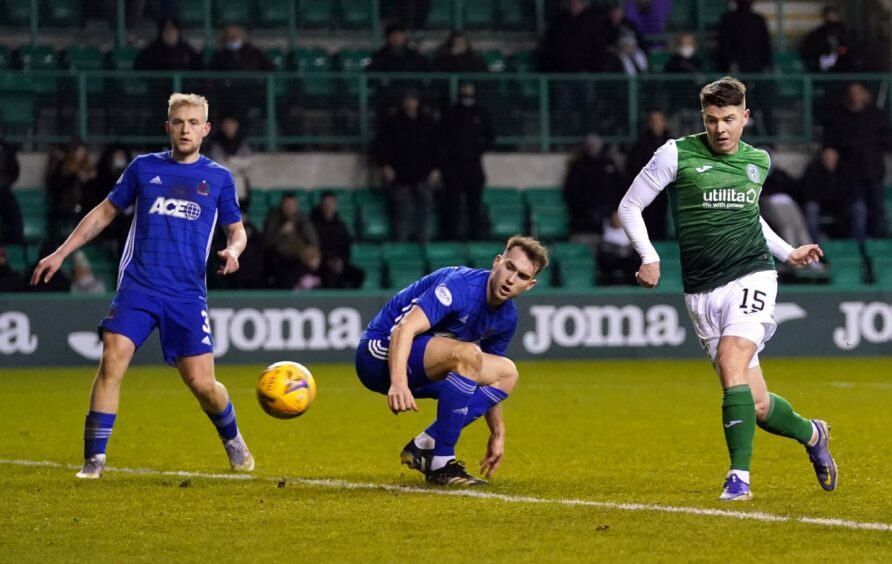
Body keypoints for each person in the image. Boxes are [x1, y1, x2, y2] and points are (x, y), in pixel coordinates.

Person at [617, 77, 837, 501]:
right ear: (703, 117)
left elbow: (749, 217)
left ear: (745, 118)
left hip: (752, 273)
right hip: (702, 291)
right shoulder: (675, 154)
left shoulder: (758, 161)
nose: (721, 128)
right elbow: (630, 206)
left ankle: (739, 479)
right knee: (754, 404)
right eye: (713, 119)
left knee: (731, 355)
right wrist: (648, 256)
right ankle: (813, 434)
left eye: (730, 119)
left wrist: (787, 254)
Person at [30, 93, 253, 479]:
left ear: (206, 129)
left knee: (202, 384)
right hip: (139, 286)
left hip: (186, 294)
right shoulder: (143, 168)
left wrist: (233, 250)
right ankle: (94, 461)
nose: (186, 129)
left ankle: (234, 441)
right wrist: (61, 253)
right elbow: (103, 212)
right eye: (179, 122)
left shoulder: (218, 178)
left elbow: (236, 229)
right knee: (112, 360)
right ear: (168, 127)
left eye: (193, 123)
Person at [355, 235, 548, 486]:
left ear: (530, 285)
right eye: (509, 267)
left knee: (506, 373)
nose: (511, 279)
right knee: (467, 353)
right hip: (379, 354)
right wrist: (398, 382)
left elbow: (482, 377)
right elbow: (404, 329)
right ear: (497, 262)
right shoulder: (461, 286)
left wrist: (497, 432)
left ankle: (425, 445)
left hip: (419, 365)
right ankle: (442, 463)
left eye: (521, 276)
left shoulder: (506, 318)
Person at [821, 82, 892, 240]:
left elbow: (887, 139)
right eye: (852, 93)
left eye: (858, 92)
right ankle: (856, 243)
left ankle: (879, 242)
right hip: (851, 175)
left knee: (877, 209)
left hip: (874, 171)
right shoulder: (839, 118)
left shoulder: (876, 115)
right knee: (856, 210)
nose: (855, 96)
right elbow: (830, 143)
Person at [375, 89, 441, 243]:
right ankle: (402, 246)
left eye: (413, 100)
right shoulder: (392, 122)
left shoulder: (427, 122)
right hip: (401, 176)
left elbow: (436, 147)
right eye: (407, 100)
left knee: (424, 212)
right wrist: (386, 165)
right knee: (403, 212)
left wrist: (436, 169)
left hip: (423, 175)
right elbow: (383, 146)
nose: (410, 103)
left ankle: (424, 245)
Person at [439, 83, 494, 241]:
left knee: (474, 204)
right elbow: (442, 138)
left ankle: (476, 236)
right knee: (452, 205)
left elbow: (490, 135)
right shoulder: (451, 113)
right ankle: (451, 236)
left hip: (473, 165)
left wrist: (478, 148)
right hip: (453, 165)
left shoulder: (480, 112)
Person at [262, 192, 320, 289]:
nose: (289, 207)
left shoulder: (303, 219)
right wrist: (281, 232)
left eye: (292, 205)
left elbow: (313, 240)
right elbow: (267, 241)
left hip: (300, 255)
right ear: (282, 205)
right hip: (279, 255)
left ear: (296, 206)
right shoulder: (273, 219)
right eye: (287, 204)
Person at [310, 191, 365, 289]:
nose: (328, 206)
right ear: (321, 205)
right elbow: (314, 246)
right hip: (322, 264)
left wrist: (342, 262)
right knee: (328, 277)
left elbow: (346, 246)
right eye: (326, 203)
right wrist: (327, 260)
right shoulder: (313, 224)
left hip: (339, 263)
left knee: (358, 274)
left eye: (331, 203)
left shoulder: (341, 225)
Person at [133, 18, 202, 71]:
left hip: (183, 88)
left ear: (177, 32)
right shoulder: (152, 50)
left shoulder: (185, 48)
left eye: (172, 29)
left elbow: (198, 67)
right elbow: (139, 67)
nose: (169, 32)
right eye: (166, 29)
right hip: (159, 88)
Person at [0, 137, 23, 245]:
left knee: (16, 222)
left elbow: (14, 171)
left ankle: (10, 245)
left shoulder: (6, 148)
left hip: (3, 191)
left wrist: (4, 182)